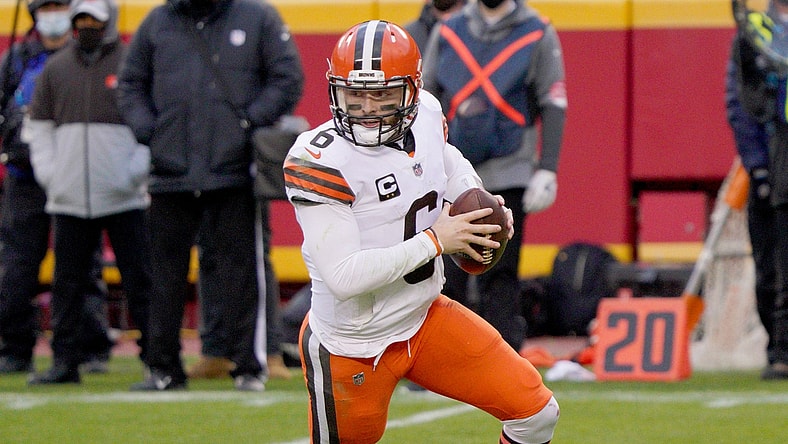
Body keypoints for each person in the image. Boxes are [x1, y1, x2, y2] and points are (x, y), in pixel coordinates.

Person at [285, 20, 559, 443]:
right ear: (335, 90)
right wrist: (437, 240)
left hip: (424, 318)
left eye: (382, 95)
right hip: (353, 345)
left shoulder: (426, 114)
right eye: (355, 95)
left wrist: (474, 199)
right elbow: (343, 278)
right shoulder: (320, 160)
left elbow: (445, 160)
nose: (368, 109)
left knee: (536, 414)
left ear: (412, 90)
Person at [117, 0, 304, 391]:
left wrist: (248, 123)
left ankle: (248, 364)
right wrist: (149, 130)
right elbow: (130, 83)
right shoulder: (157, 23)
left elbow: (288, 77)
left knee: (242, 271)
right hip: (170, 172)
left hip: (233, 171)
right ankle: (163, 367)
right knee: (163, 276)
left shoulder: (258, 17)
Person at [422, 0, 567, 350]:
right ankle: (440, 357)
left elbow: (553, 100)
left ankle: (502, 363)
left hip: (510, 166)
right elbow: (425, 101)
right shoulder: (449, 31)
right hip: (452, 168)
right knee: (443, 273)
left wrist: (547, 168)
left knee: (501, 272)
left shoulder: (537, 31)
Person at [23, 0, 152, 384]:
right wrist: (52, 176)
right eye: (80, 20)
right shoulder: (56, 68)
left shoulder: (131, 64)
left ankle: (157, 358)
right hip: (70, 198)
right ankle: (64, 362)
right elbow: (40, 129)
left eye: (93, 20)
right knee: (66, 284)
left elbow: (148, 122)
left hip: (124, 196)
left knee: (140, 280)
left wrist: (133, 174)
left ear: (108, 21)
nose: (85, 27)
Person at [0, 0, 113, 375]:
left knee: (82, 266)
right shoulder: (17, 59)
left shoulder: (87, 57)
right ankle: (15, 347)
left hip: (74, 175)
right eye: (46, 6)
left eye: (59, 6)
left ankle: (91, 345)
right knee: (17, 266)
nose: (53, 14)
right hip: (24, 178)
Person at [726, 1, 788, 380]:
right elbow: (741, 106)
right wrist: (759, 167)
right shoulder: (754, 33)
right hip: (774, 166)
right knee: (773, 267)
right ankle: (778, 348)